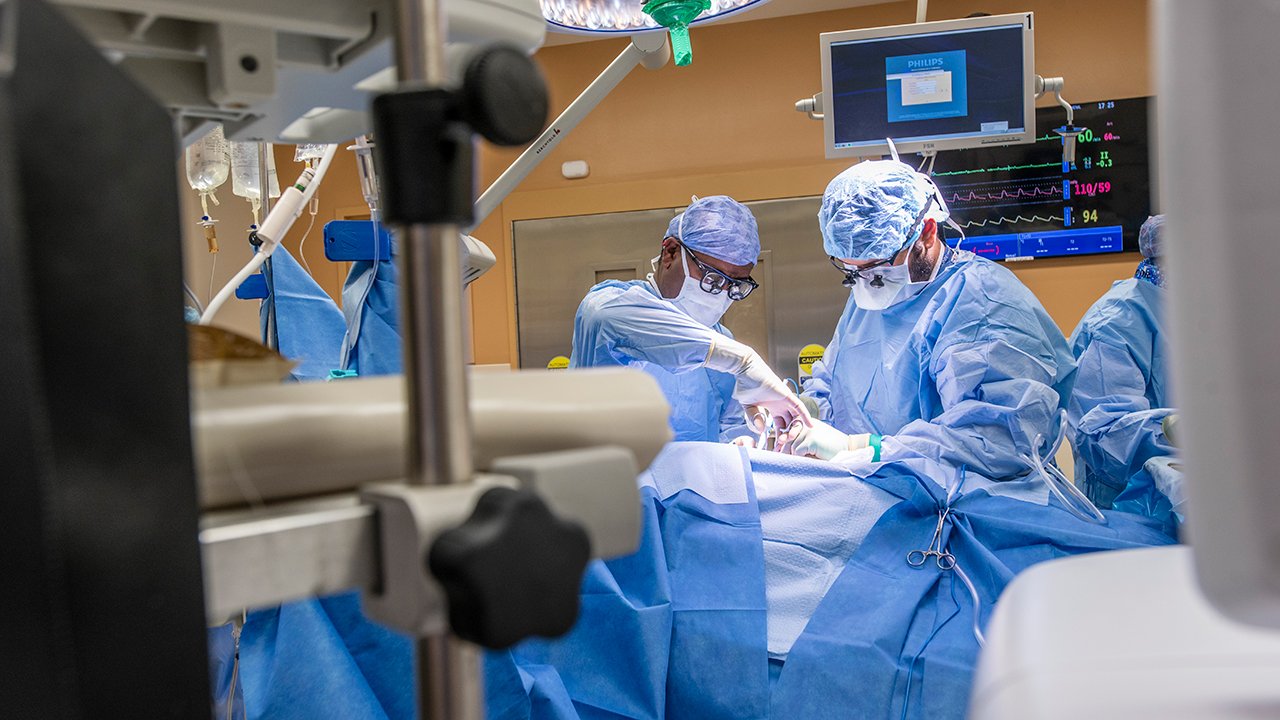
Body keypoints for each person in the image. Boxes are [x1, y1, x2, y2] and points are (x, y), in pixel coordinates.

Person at [780, 160, 1077, 481]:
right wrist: (802, 412)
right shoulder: (869, 295)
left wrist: (865, 448)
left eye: (877, 268)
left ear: (927, 233)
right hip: (886, 495)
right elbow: (836, 379)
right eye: (852, 272)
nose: (866, 283)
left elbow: (997, 441)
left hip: (968, 510)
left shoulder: (982, 301)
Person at [570, 195, 808, 442]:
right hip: (611, 478)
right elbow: (606, 320)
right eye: (713, 278)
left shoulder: (721, 341)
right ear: (671, 253)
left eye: (735, 285)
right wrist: (741, 360)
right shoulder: (609, 303)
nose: (722, 293)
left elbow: (726, 425)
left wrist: (738, 442)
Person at [1067, 214, 1176, 509]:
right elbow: (1104, 433)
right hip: (1130, 506)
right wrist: (1187, 431)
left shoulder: (1193, 308)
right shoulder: (1119, 321)